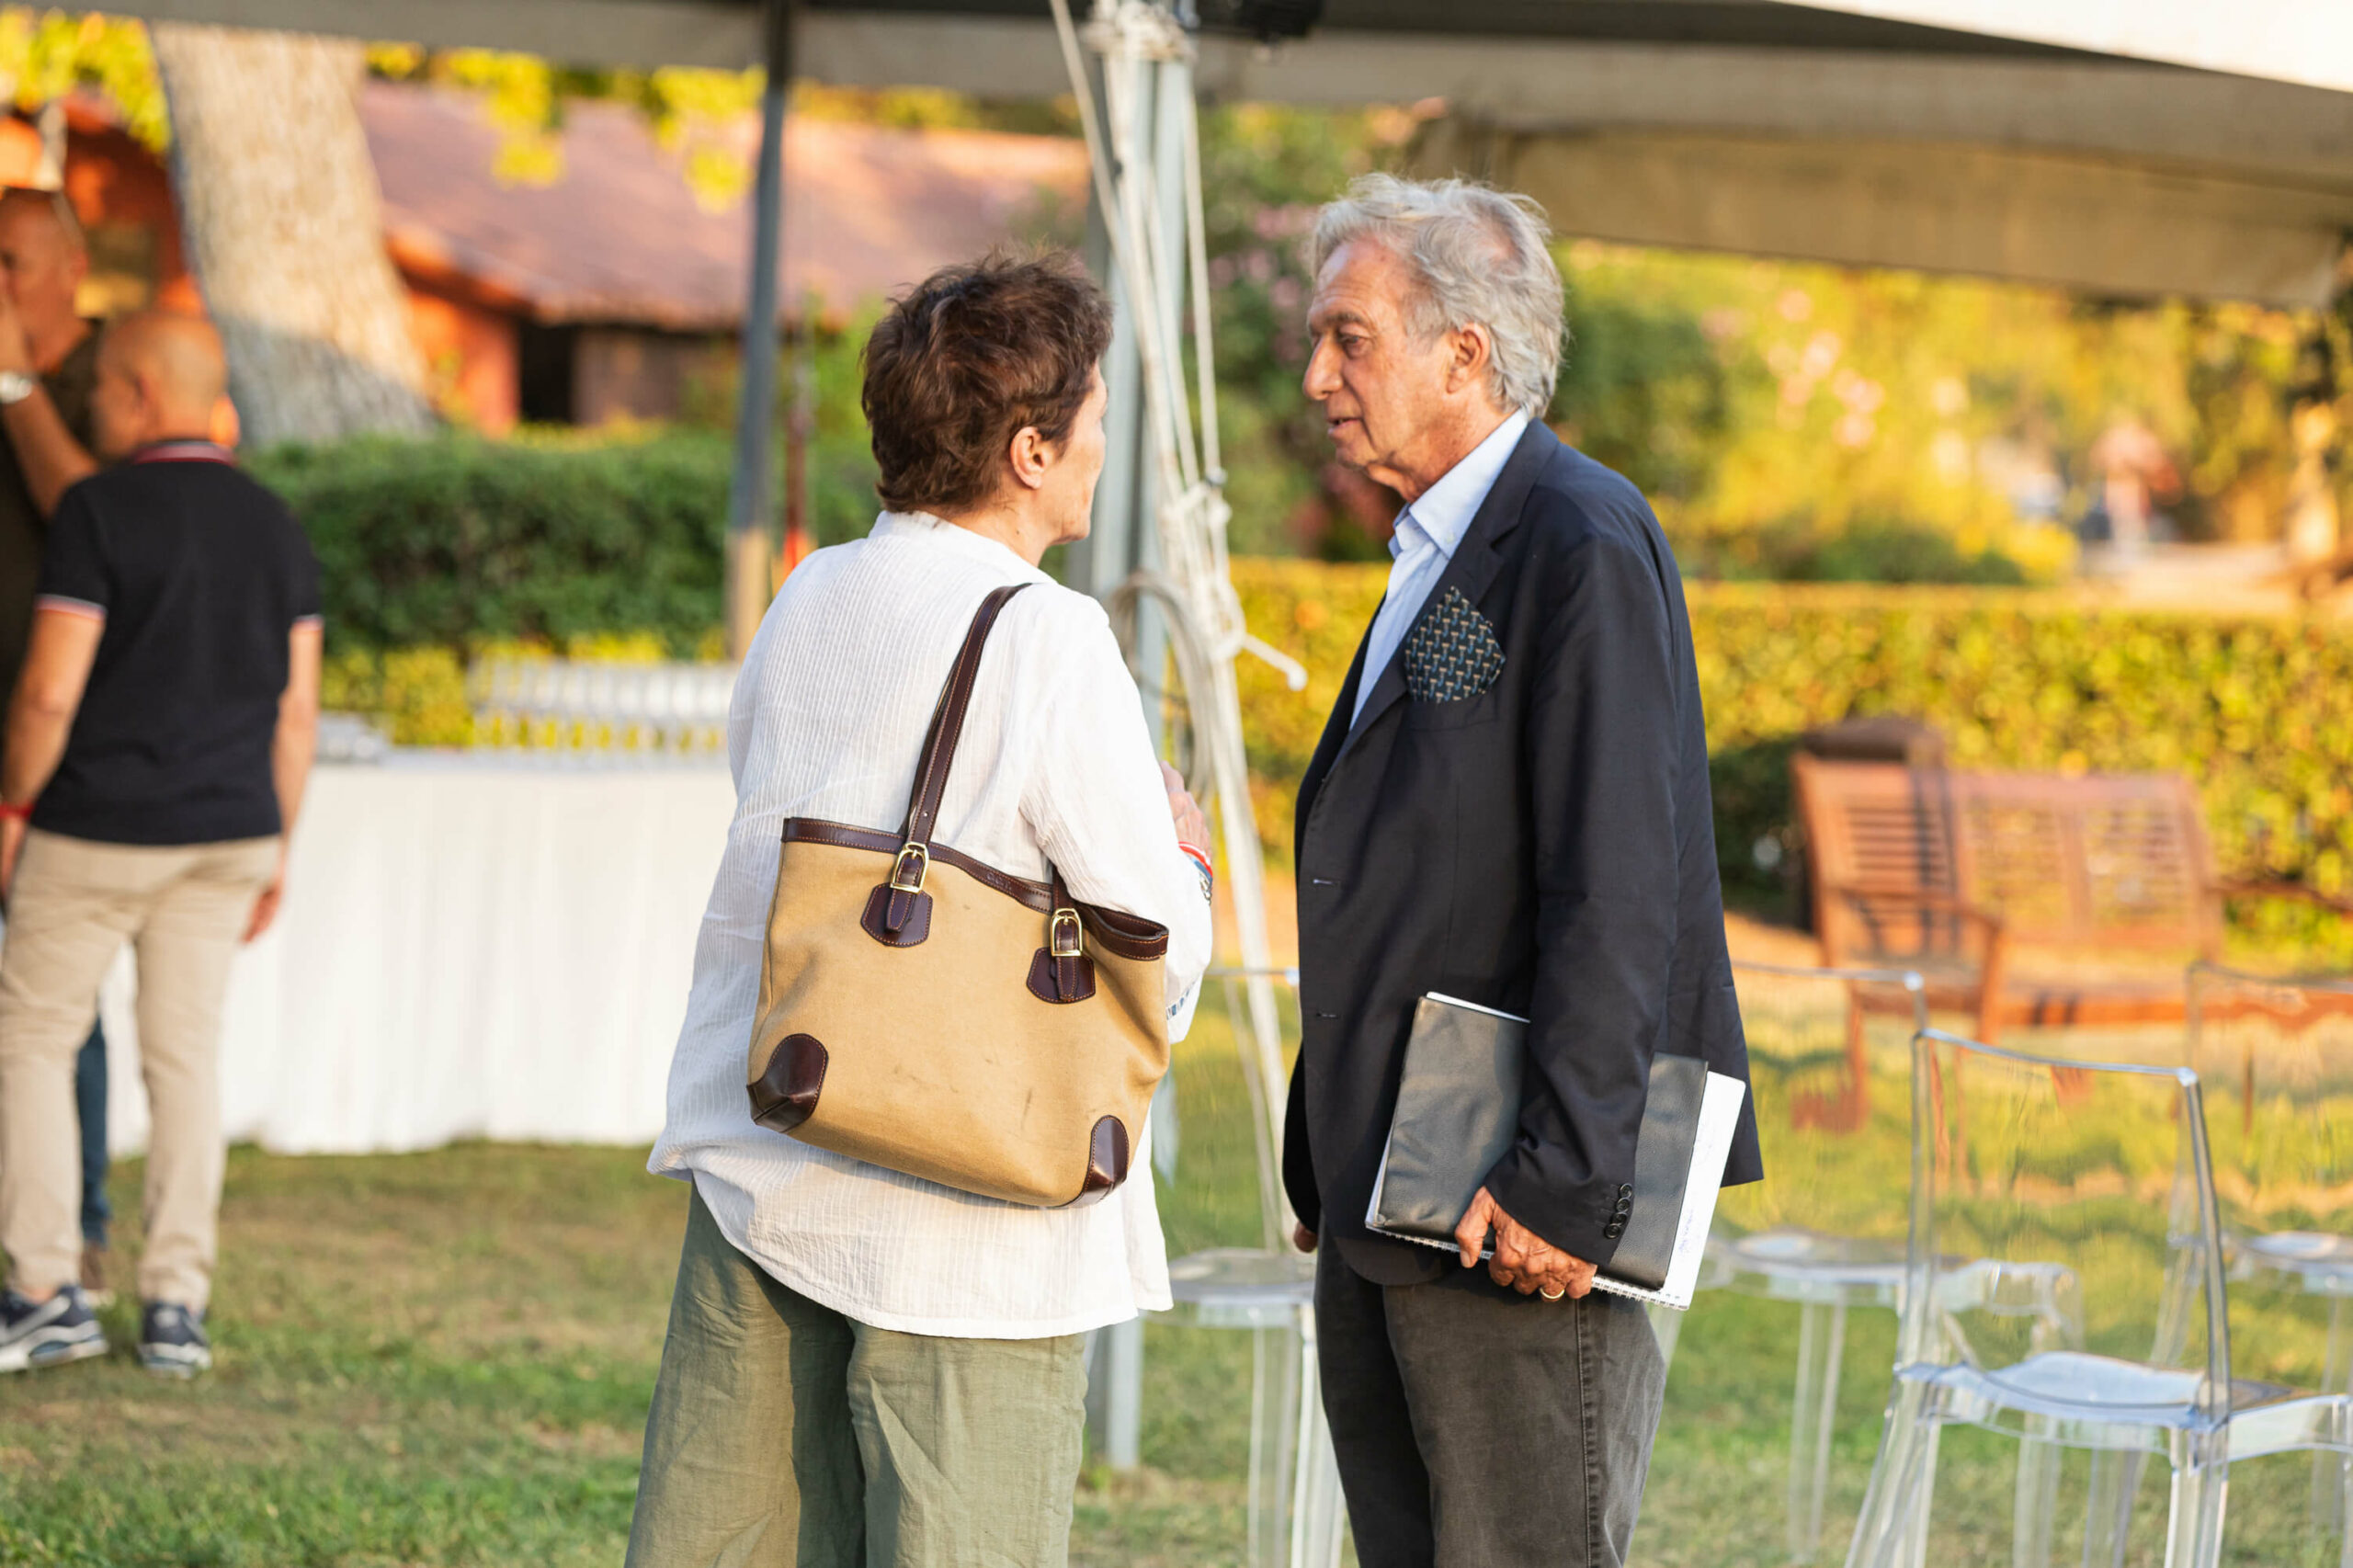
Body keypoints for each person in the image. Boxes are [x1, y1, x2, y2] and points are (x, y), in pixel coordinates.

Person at [626, 254, 1213, 1568]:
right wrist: (1192, 855)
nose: (1102, 443)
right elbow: (1151, 957)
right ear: (1027, 448)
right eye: (1095, 416)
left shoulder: (811, 595)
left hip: (770, 1151)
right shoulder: (1052, 642)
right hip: (967, 1225)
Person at [1280, 174, 1762, 1567]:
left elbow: (1619, 877)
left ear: (1464, 356)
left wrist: (1566, 1180)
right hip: (1396, 1183)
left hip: (1505, 1196)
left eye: (1349, 338)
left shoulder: (1575, 538)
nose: (1317, 376)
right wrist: (1332, 1132)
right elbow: (1434, 833)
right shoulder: (1450, 544)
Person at [0, 311, 322, 1377]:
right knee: (185, 1061)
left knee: (31, 1040)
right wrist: (276, 844)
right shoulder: (279, 524)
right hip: (228, 831)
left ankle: (45, 1289)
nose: (89, 406)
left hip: (94, 828)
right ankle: (176, 1304)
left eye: (96, 389)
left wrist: (10, 804)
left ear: (138, 392)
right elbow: (296, 715)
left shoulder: (97, 510)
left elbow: (49, 688)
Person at [0, 187, 111, 1299]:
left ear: (69, 266)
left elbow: (89, 514)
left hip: (61, 743)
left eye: (11, 263)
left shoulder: (112, 380)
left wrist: (14, 383)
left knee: (51, 1000)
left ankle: (77, 1226)